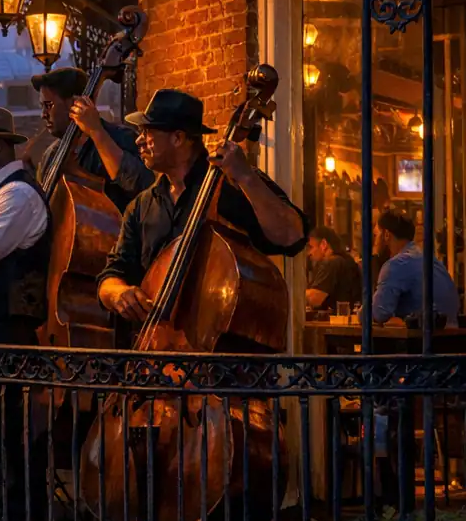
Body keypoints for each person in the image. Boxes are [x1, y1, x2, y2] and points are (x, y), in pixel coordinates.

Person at [99, 89, 309, 337]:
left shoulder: (232, 184)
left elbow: (292, 236)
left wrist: (245, 177)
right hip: (156, 356)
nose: (139, 140)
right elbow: (112, 273)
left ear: (178, 138)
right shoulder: (141, 206)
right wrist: (117, 293)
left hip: (222, 361)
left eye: (148, 132)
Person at [30, 66, 152, 211]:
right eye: (42, 107)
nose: (43, 114)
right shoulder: (51, 156)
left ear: (75, 103)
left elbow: (144, 187)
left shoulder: (122, 138)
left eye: (49, 105)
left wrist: (96, 132)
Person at [372, 209, 460, 327]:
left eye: (377, 234)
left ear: (387, 235)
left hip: (422, 342)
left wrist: (361, 313)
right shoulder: (432, 261)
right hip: (452, 340)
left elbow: (377, 313)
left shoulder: (395, 265)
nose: (375, 242)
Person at [306, 225, 364, 312]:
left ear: (323, 244)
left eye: (311, 247)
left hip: (336, 322)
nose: (309, 253)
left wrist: (294, 293)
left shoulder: (331, 262)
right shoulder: (346, 260)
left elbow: (315, 298)